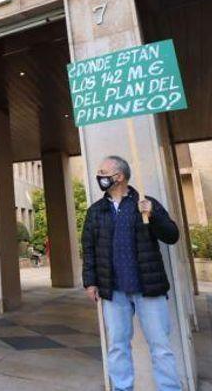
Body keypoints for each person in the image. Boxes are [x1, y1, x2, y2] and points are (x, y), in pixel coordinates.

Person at [82, 156, 181, 391]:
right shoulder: (96, 211)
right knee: (117, 346)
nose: (100, 176)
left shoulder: (146, 204)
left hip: (148, 288)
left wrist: (153, 214)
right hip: (113, 291)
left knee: (160, 346)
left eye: (104, 172)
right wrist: (90, 282)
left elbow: (172, 236)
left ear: (120, 176)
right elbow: (89, 248)